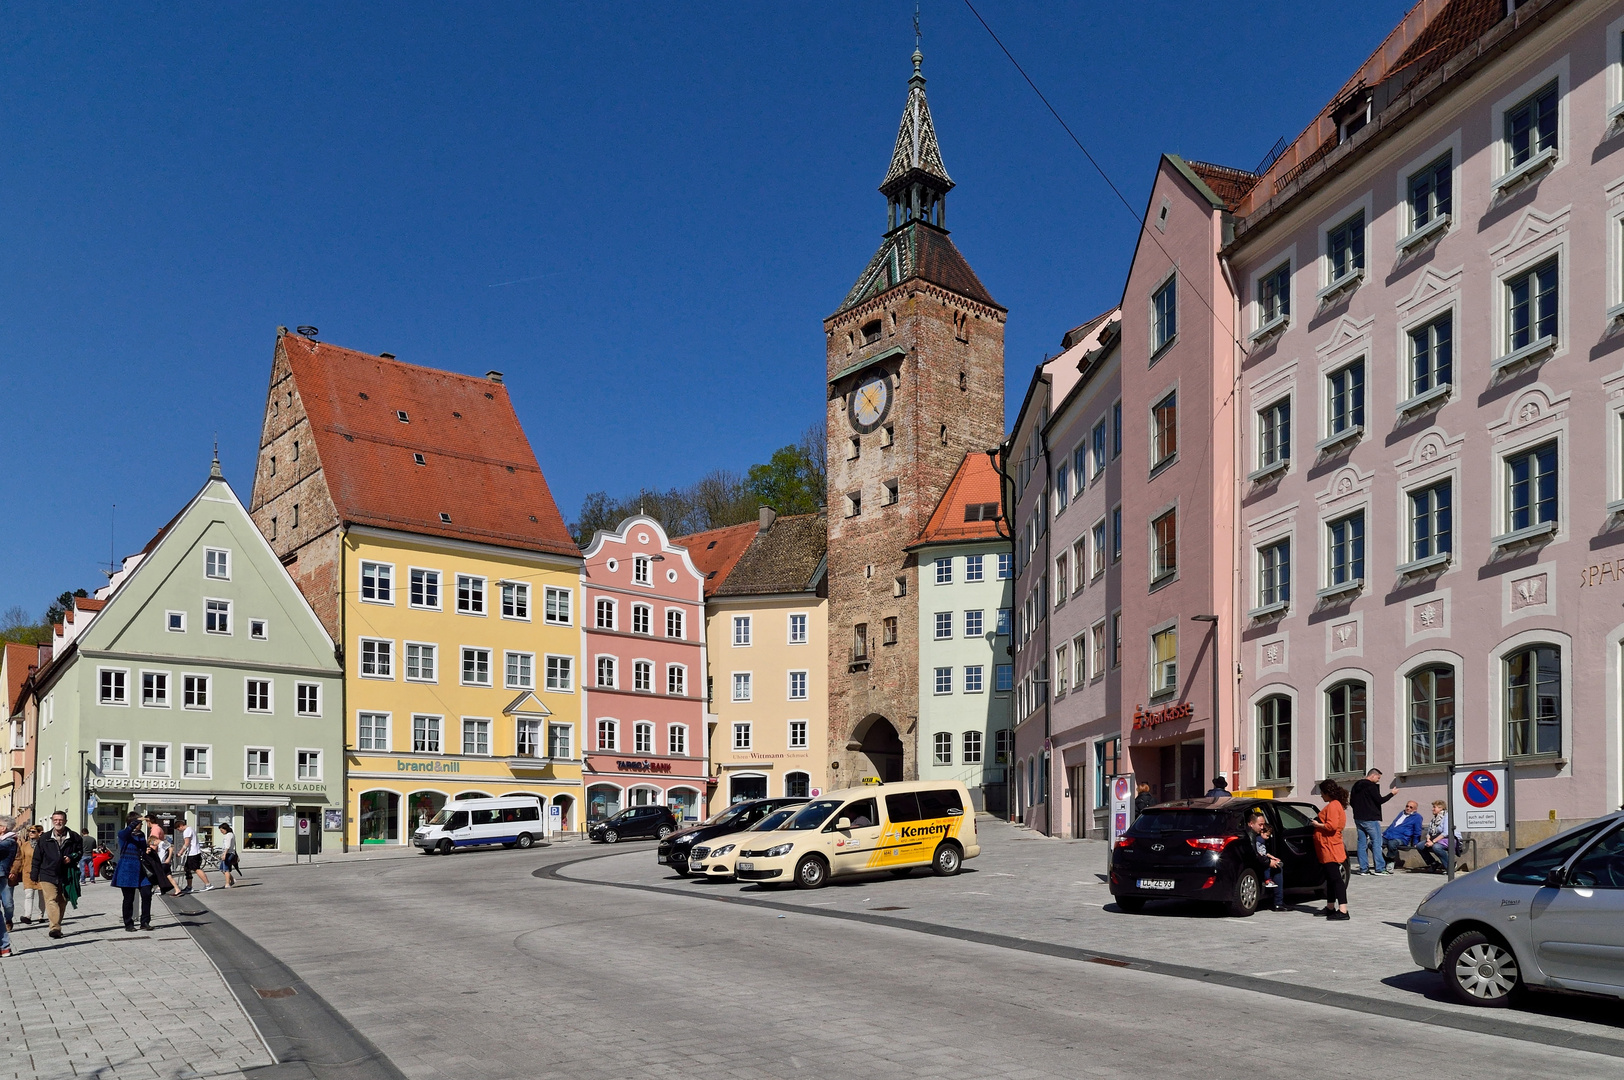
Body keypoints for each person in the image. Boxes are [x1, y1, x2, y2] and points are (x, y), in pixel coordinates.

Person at [30, 810, 83, 939]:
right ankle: (55, 928)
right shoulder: (45, 838)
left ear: (65, 821)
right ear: (53, 822)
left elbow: (80, 852)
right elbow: (37, 857)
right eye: (55, 820)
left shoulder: (74, 837)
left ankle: (56, 924)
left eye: (60, 820)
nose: (58, 822)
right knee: (51, 899)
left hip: (66, 873)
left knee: (62, 900)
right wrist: (34, 873)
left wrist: (71, 857)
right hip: (47, 873)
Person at [1312, 779, 1351, 921]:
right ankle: (1330, 906)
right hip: (1328, 845)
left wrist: (1317, 824)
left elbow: (1332, 826)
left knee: (1335, 878)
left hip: (1330, 846)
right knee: (1330, 878)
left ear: (1327, 792)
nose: (1321, 796)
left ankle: (1343, 909)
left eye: (1322, 793)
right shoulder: (1335, 805)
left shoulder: (1334, 806)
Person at [1349, 768, 1396, 875]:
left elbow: (1351, 801)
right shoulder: (1371, 786)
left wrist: (1358, 810)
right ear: (1373, 775)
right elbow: (1380, 800)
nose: (1378, 780)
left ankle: (1363, 868)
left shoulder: (1356, 785)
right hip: (1370, 818)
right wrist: (1392, 794)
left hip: (1358, 818)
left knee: (1361, 843)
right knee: (1377, 842)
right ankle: (1379, 868)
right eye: (1378, 778)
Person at [113, 812, 154, 932]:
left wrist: (146, 850)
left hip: (141, 869)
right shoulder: (123, 834)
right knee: (128, 898)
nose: (141, 825)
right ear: (132, 823)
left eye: (141, 823)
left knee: (147, 894)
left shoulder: (141, 834)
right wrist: (136, 820)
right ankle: (128, 923)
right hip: (127, 869)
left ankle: (145, 922)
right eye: (139, 823)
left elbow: (141, 848)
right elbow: (126, 832)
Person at [1242, 810, 1287, 911]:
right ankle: (1278, 902)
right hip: (1255, 865)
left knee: (1278, 865)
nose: (1262, 827)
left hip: (1257, 863)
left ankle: (1278, 902)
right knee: (1277, 868)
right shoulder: (1251, 836)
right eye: (1260, 825)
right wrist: (1269, 862)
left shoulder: (1254, 834)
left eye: (1263, 824)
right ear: (1251, 824)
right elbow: (1256, 855)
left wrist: (1271, 858)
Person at [175, 814, 213, 894]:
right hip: (192, 853)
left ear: (181, 825)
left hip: (193, 853)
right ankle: (189, 886)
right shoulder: (191, 829)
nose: (179, 830)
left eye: (178, 829)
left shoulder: (187, 831)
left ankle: (208, 884)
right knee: (187, 868)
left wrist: (180, 852)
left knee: (197, 869)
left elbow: (187, 843)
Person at [1381, 801, 1425, 869]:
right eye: (1407, 806)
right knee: (1372, 843)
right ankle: (1383, 860)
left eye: (1411, 807)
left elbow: (1417, 831)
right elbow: (1393, 825)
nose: (1408, 808)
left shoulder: (1417, 817)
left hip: (1402, 838)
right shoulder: (1401, 813)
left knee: (1392, 843)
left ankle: (1390, 861)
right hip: (1389, 836)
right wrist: (1383, 833)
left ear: (1415, 809)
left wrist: (1416, 842)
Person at [16, 825, 43, 924]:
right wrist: (17, 871)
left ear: (39, 833)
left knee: (42, 895)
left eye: (33, 831)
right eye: (29, 831)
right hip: (27, 873)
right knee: (29, 895)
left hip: (41, 873)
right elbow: (21, 859)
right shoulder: (25, 845)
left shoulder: (43, 844)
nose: (30, 833)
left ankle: (41, 915)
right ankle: (28, 916)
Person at [0, 815, 18, 957]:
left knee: (8, 904)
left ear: (3, 828)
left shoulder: (9, 842)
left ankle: (4, 946)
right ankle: (4, 946)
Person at [1420, 800, 1453, 873]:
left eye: (1434, 807)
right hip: (1436, 839)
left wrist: (1433, 842)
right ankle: (1433, 863)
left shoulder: (1447, 816)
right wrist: (1428, 839)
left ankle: (1450, 867)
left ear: (1441, 808)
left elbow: (1446, 833)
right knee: (1420, 846)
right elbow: (1429, 832)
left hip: (1449, 839)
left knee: (1436, 847)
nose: (1432, 809)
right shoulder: (1434, 819)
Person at [217, 823, 239, 887]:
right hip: (228, 852)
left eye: (222, 830)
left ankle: (227, 884)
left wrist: (224, 854)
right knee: (222, 868)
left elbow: (228, 846)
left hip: (228, 853)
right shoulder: (230, 834)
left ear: (225, 829)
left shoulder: (229, 835)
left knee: (226, 869)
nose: (221, 832)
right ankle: (232, 880)